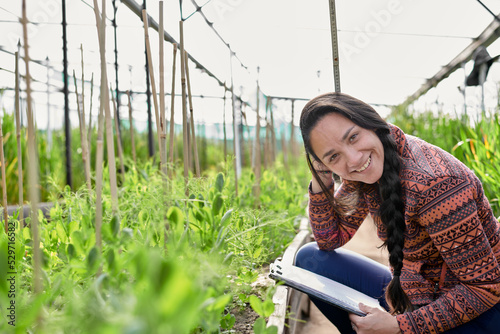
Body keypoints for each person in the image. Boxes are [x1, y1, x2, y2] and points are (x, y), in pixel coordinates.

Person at [294, 92, 500, 333]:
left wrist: (398, 325)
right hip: (415, 290)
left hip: (480, 311)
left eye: (353, 137)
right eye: (333, 156)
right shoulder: (366, 166)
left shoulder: (437, 185)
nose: (353, 158)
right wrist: (321, 177)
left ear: (371, 122)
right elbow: (330, 239)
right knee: (310, 260)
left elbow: (485, 288)